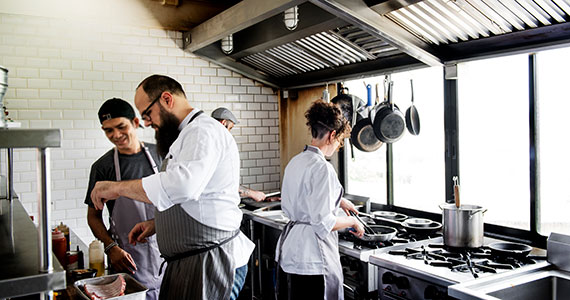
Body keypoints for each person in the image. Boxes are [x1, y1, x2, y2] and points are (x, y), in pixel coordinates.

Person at [90, 75, 254, 300]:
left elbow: (183, 186)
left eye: (147, 114)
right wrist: (158, 224)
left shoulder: (202, 131)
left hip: (211, 261)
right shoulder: (185, 136)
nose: (146, 123)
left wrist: (116, 188)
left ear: (166, 99)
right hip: (193, 262)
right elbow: (195, 200)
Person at [275, 100, 365, 300]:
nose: (339, 145)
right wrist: (352, 221)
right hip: (312, 259)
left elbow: (308, 195)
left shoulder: (296, 161)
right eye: (340, 140)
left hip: (290, 252)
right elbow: (323, 223)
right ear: (332, 135)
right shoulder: (323, 168)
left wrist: (340, 201)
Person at [84, 98, 163, 300]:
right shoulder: (103, 167)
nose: (116, 135)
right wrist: (111, 248)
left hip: (167, 251)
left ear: (135, 122)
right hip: (128, 259)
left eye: (121, 127)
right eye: (108, 130)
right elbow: (93, 216)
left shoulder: (161, 155)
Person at [211, 107, 278, 202]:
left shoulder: (210, 142)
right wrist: (252, 193)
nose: (229, 133)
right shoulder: (217, 145)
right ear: (224, 123)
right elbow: (224, 183)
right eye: (230, 128)